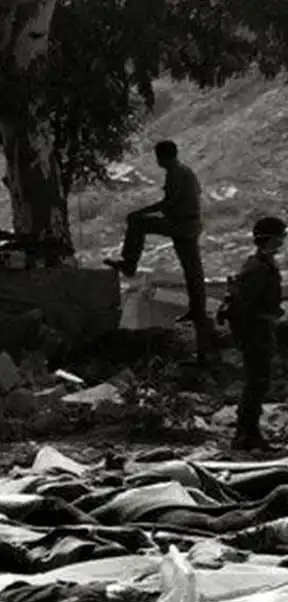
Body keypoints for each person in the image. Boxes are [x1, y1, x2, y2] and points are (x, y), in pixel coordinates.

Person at [105, 140, 213, 358]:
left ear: (162, 157)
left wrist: (140, 212)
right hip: (188, 224)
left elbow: (169, 202)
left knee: (138, 223)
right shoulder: (184, 171)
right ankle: (198, 309)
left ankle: (129, 263)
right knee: (192, 269)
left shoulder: (176, 173)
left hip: (183, 225)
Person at [217, 217, 286, 452]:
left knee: (259, 381)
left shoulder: (262, 264)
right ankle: (245, 435)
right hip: (255, 331)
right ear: (269, 239)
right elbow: (245, 306)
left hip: (260, 329)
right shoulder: (258, 267)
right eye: (280, 236)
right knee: (256, 382)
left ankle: (250, 433)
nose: (283, 240)